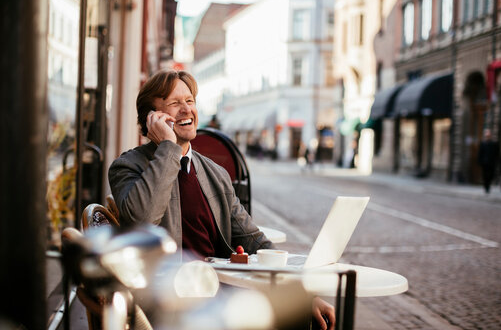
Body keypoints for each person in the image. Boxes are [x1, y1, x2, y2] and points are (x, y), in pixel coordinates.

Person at [108, 69, 335, 329]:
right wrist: (168, 148)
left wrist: (307, 296)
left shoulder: (215, 173)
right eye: (174, 103)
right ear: (151, 119)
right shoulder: (127, 166)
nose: (186, 109)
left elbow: (251, 239)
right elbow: (142, 221)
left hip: (219, 294)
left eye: (190, 101)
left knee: (298, 311)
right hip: (166, 300)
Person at [477, 128, 499, 194]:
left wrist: (496, 161)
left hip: (491, 163)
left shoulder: (493, 144)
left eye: (488, 134)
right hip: (484, 163)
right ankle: (486, 187)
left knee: (490, 175)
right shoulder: (483, 143)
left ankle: (488, 186)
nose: (487, 136)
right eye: (486, 135)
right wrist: (480, 161)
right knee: (485, 175)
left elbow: (496, 153)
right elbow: (480, 153)